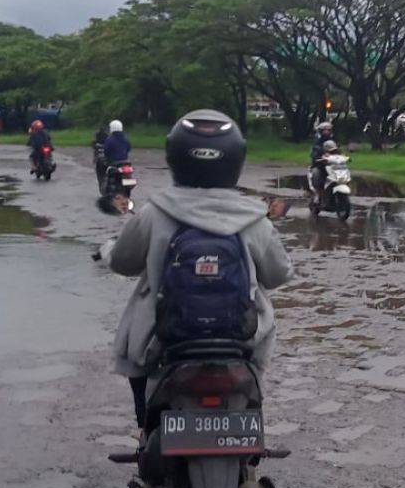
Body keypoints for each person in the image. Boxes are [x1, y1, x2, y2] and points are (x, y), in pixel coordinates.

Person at [98, 109, 293, 434]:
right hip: (241, 341)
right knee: (258, 358)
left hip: (163, 341)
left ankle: (149, 434)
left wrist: (107, 250)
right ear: (235, 160)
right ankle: (248, 432)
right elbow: (278, 275)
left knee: (137, 358)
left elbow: (122, 262)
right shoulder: (256, 218)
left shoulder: (152, 213)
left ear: (175, 157)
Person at [309, 121, 334, 204]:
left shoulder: (333, 142)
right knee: (316, 174)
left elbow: (338, 151)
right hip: (320, 166)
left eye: (328, 130)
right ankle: (317, 195)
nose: (326, 132)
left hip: (332, 166)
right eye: (324, 130)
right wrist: (318, 156)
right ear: (320, 131)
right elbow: (314, 152)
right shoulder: (317, 142)